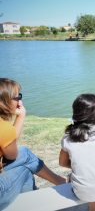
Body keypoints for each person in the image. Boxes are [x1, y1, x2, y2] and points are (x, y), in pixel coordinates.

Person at [0, 78, 66, 210]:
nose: (20, 101)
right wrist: (21, 116)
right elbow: (12, 155)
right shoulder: (3, 128)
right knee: (27, 169)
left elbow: (9, 144)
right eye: (17, 97)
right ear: (5, 102)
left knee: (24, 152)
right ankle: (57, 184)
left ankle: (58, 182)